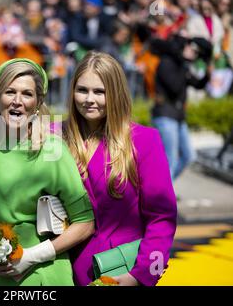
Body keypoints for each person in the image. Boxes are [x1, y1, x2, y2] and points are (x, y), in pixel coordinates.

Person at [0, 58, 95, 286]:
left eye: (27, 94)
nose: (17, 101)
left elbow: (84, 223)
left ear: (37, 103)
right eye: (9, 92)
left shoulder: (53, 151)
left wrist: (31, 256)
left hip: (44, 275)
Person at [60, 51, 177, 286]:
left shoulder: (145, 141)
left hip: (119, 272)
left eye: (100, 92)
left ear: (115, 93)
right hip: (57, 268)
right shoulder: (53, 135)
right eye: (82, 90)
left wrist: (142, 275)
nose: (89, 99)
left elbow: (162, 218)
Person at [151, 35, 212, 180]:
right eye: (191, 49)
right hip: (165, 115)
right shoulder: (167, 62)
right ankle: (163, 196)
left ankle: (164, 190)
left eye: (196, 52)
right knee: (169, 160)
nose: (193, 53)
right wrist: (184, 64)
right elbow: (175, 87)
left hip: (177, 117)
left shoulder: (182, 65)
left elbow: (198, 84)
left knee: (188, 156)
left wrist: (207, 73)